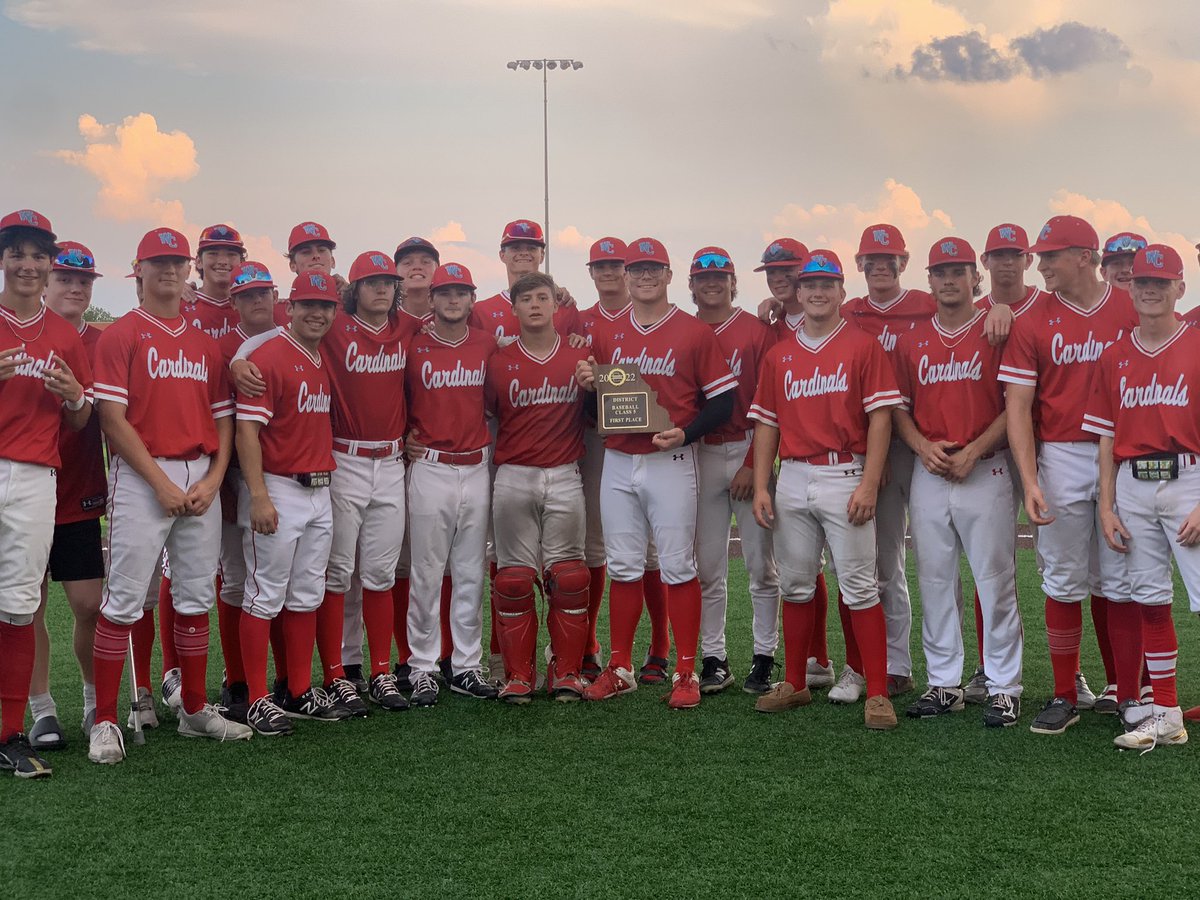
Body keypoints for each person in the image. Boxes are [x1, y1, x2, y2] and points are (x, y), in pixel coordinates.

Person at [89, 226, 250, 765]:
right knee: (126, 600)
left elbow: (224, 421)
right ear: (137, 271)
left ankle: (195, 709)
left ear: (189, 271)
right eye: (157, 263)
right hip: (143, 474)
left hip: (201, 472)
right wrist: (160, 483)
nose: (168, 271)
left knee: (194, 597)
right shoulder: (122, 335)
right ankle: (107, 719)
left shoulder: (206, 343)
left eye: (176, 262)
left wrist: (211, 477)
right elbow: (111, 418)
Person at [576, 237, 736, 709]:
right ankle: (621, 666)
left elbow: (723, 401)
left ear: (669, 276)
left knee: (676, 565)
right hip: (619, 461)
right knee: (624, 565)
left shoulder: (693, 331)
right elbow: (599, 409)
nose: (645, 277)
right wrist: (588, 388)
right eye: (637, 269)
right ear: (626, 277)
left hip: (670, 460)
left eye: (654, 269)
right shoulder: (607, 333)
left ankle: (685, 671)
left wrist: (685, 434)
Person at [748, 249, 900, 730]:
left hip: (844, 472)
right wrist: (761, 485)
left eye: (826, 284)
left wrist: (870, 483)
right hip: (792, 473)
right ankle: (795, 682)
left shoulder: (862, 345)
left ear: (841, 292)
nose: (816, 291)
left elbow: (880, 421)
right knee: (795, 584)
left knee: (858, 586)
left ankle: (877, 692)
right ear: (798, 292)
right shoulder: (780, 354)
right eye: (809, 284)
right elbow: (767, 425)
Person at [998, 214, 1138, 736]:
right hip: (1060, 453)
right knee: (1062, 580)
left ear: (1086, 255)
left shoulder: (1129, 307)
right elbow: (1018, 404)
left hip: (1124, 457)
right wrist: (1031, 480)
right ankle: (1064, 693)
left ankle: (1129, 694)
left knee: (1120, 580)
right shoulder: (1034, 319)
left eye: (1052, 255)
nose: (1042, 263)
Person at [893, 238, 1023, 727]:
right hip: (931, 469)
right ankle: (945, 683)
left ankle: (1004, 686)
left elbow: (1014, 404)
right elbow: (898, 408)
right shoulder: (911, 340)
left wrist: (973, 449)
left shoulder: (996, 330)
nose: (949, 280)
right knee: (935, 579)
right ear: (928, 280)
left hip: (985, 466)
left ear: (976, 277)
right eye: (940, 272)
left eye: (958, 271)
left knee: (995, 580)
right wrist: (922, 446)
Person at [1088, 243, 1194, 750]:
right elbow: (1106, 438)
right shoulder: (1114, 356)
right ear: (1129, 287)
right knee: (1151, 599)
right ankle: (1168, 712)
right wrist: (1106, 504)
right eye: (1141, 283)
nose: (1150, 291)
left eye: (1161, 283)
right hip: (1133, 482)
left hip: (1190, 480)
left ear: (1180, 288)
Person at [0, 210, 93, 779]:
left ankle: (11, 733)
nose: (29, 264)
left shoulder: (62, 334)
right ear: (3, 258)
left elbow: (81, 420)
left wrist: (76, 395)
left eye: (38, 254)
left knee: (17, 606)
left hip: (36, 474)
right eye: (18, 252)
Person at [235, 271, 348, 733]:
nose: (316, 313)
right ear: (290, 306)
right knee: (264, 595)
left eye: (325, 306)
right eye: (307, 305)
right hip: (278, 486)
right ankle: (257, 698)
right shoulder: (268, 355)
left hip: (320, 488)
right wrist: (258, 496)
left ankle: (299, 689)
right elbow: (247, 431)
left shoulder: (318, 356)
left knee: (305, 595)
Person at [831, 224, 934, 703]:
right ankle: (896, 664)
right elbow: (804, 322)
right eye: (870, 258)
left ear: (904, 262)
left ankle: (949, 670)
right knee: (885, 560)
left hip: (929, 440)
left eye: (887, 258)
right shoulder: (849, 311)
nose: (879, 266)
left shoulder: (928, 304)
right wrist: (774, 311)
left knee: (939, 561)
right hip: (878, 447)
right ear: (858, 264)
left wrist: (996, 304)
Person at [487, 271, 591, 703]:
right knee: (512, 578)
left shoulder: (580, 359)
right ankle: (518, 675)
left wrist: (597, 384)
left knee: (569, 576)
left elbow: (605, 412)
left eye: (542, 297)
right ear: (513, 309)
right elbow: (487, 417)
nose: (534, 305)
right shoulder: (498, 361)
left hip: (565, 472)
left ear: (556, 306)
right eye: (526, 298)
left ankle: (565, 671)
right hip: (514, 474)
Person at [321, 251, 416, 712]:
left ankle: (380, 670)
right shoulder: (333, 325)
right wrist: (241, 361)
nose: (381, 288)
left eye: (387, 281)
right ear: (353, 289)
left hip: (392, 461)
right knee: (338, 572)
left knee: (379, 573)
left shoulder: (408, 328)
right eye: (371, 281)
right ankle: (339, 670)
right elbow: (270, 337)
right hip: (345, 458)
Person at [577, 237, 672, 684]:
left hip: (658, 437)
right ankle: (593, 643)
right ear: (591, 271)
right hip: (602, 439)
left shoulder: (650, 314)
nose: (609, 272)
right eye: (601, 265)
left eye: (617, 264)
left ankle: (660, 646)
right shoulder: (579, 318)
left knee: (654, 550)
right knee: (601, 544)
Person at [404, 263, 499, 705]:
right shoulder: (414, 344)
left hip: (477, 465)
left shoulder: (487, 344)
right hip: (432, 466)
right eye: (446, 293)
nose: (453, 300)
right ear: (433, 298)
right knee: (426, 572)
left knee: (468, 572)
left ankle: (466, 665)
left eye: (461, 292)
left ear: (472, 298)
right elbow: (392, 396)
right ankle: (421, 665)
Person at [687, 246, 779, 694]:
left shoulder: (756, 330)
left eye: (720, 276)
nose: (712, 283)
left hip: (749, 446)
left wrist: (752, 465)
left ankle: (764, 656)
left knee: (762, 564)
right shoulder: (681, 330)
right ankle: (714, 656)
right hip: (700, 452)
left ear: (733, 281)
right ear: (690, 285)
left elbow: (770, 405)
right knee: (708, 565)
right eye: (703, 277)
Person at [27, 241, 107, 752]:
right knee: (25, 605)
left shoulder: (106, 339)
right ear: (46, 281)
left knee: (88, 605)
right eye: (65, 278)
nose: (76, 288)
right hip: (24, 488)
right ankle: (41, 709)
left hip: (79, 488)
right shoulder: (23, 332)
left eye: (85, 281)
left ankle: (93, 697)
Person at [752, 238, 834, 692]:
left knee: (860, 577)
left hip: (842, 460)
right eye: (772, 272)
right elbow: (763, 409)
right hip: (790, 457)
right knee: (801, 567)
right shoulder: (772, 324)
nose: (779, 278)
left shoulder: (837, 318)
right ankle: (812, 661)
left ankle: (854, 666)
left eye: (788, 270)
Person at [213, 260, 282, 724]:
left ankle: (284, 680)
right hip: (234, 476)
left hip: (287, 475)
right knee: (237, 580)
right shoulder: (220, 348)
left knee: (282, 583)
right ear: (233, 301)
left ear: (276, 296)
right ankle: (238, 681)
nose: (257, 301)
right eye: (247, 295)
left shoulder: (299, 336)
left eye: (264, 293)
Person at [468, 219, 578, 343]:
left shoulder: (565, 307)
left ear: (542, 255)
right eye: (515, 248)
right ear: (502, 255)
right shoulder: (480, 312)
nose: (524, 253)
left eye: (531, 248)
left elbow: (579, 353)